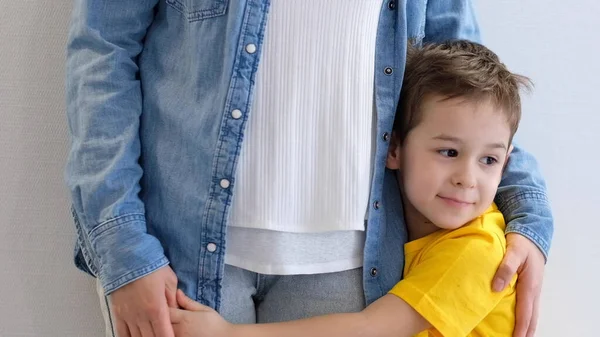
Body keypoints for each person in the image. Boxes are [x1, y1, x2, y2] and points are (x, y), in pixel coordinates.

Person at [64, 1, 553, 337]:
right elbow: (102, 53)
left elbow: (470, 89)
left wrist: (528, 215)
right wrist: (123, 249)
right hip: (180, 250)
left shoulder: (471, 250)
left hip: (353, 260)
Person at [168, 39, 533, 337]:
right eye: (449, 152)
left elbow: (370, 328)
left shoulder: (477, 250)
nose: (467, 178)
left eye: (489, 160)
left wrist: (227, 334)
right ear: (394, 149)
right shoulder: (409, 229)